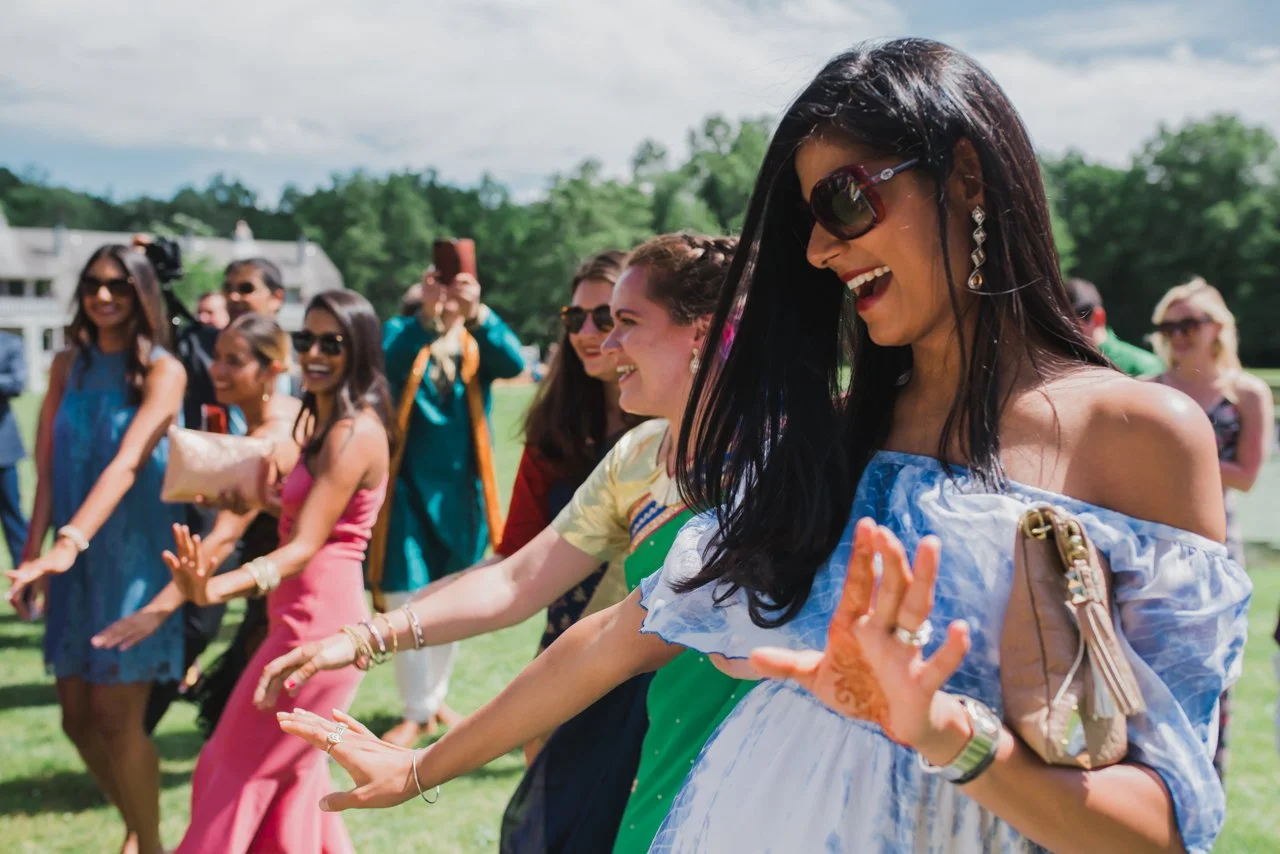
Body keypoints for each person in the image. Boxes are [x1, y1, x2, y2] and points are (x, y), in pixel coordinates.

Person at [280, 40, 1249, 854]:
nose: (822, 252)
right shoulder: (821, 440)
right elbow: (618, 633)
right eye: (806, 228)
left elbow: (1165, 821)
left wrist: (945, 730)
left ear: (966, 175)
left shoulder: (1138, 433)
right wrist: (418, 765)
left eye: (845, 203)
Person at [264, 235, 751, 854]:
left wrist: (419, 768)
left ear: (703, 335)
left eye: (626, 322)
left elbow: (608, 641)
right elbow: (519, 578)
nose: (606, 342)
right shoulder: (638, 454)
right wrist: (366, 636)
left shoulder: (773, 467)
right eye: (592, 321)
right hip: (659, 739)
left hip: (742, 754)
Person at [167, 290, 391, 853]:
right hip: (301, 618)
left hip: (313, 630)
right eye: (306, 339)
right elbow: (316, 523)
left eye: (331, 343)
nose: (313, 353)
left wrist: (211, 588)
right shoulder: (327, 424)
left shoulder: (352, 432)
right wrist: (269, 502)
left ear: (358, 350)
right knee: (290, 783)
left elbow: (305, 547)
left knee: (231, 771)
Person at [6, 244, 186, 854]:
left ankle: (151, 844)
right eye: (92, 284)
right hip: (69, 564)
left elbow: (130, 461)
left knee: (116, 718)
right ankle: (139, 820)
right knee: (76, 721)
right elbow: (50, 473)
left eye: (117, 285)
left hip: (131, 558)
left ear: (142, 294)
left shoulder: (164, 369)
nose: (103, 296)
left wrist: (70, 542)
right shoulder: (67, 366)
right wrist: (36, 560)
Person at [92, 314, 303, 736]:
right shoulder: (276, 417)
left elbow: (224, 535)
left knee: (250, 739)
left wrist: (154, 612)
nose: (216, 370)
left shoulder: (272, 440)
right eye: (217, 357)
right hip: (269, 599)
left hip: (294, 607)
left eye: (233, 361)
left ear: (272, 370)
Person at [497, 249, 639, 761]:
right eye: (574, 317)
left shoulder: (674, 436)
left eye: (606, 316)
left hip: (648, 657)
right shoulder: (554, 430)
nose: (586, 331)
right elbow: (515, 552)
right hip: (565, 644)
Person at [377, 264, 525, 745]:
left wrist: (476, 309)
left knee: (450, 600)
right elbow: (387, 363)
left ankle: (432, 700)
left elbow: (513, 361)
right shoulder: (403, 334)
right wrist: (425, 318)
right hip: (407, 494)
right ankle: (415, 709)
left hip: (463, 496)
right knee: (405, 597)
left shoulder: (474, 343)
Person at [1149, 277, 1274, 779]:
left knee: (1216, 665)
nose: (1178, 336)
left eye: (1189, 324)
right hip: (1155, 541)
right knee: (1153, 662)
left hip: (1219, 544)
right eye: (1168, 326)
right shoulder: (1150, 391)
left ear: (1217, 328)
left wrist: (1183, 456)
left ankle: (1208, 780)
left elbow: (1245, 477)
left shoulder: (1246, 393)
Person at [1065, 277, 1163, 377]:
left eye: (1070, 323)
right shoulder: (1060, 364)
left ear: (1098, 317)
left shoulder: (1146, 368)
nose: (1063, 330)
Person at [0, 329, 29, 569]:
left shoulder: (9, 343)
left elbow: (18, 382)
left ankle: (26, 587)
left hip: (3, 450)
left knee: (13, 518)